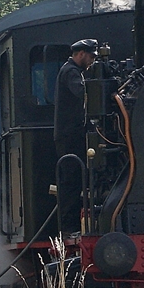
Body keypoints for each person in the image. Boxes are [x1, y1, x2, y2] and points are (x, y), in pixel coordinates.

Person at [53, 38, 97, 232]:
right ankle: (68, 227)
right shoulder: (71, 72)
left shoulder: (72, 71)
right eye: (91, 57)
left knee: (75, 178)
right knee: (71, 180)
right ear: (81, 54)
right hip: (70, 135)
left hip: (72, 133)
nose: (93, 61)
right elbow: (83, 93)